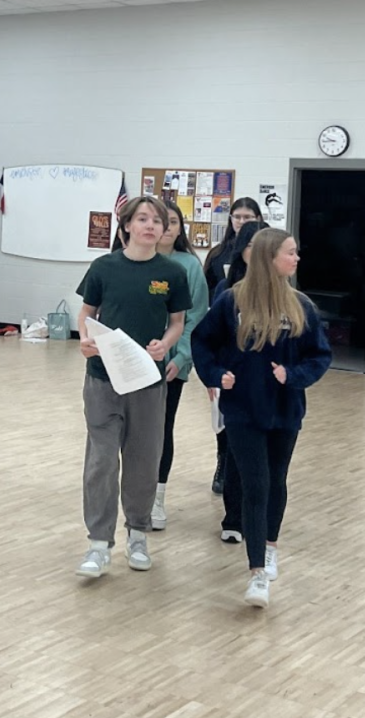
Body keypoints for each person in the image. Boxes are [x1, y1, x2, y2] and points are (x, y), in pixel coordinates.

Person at [192, 228, 332, 608]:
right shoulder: (231, 301)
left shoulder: (301, 305)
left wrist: (294, 377)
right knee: (255, 485)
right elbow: (203, 342)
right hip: (241, 409)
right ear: (271, 258)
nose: (297, 258)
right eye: (291, 252)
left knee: (276, 480)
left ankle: (271, 546)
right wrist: (215, 374)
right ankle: (257, 574)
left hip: (285, 411)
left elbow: (319, 356)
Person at [75, 197, 190, 578]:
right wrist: (84, 338)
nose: (151, 226)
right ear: (126, 225)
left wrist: (166, 343)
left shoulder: (171, 273)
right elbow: (87, 313)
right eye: (142, 219)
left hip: (147, 380)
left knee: (143, 459)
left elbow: (177, 321)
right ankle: (98, 543)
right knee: (102, 460)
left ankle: (137, 534)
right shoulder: (103, 268)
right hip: (103, 378)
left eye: (157, 221)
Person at [149, 200, 208, 532]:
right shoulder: (136, 262)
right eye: (160, 221)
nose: (166, 227)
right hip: (135, 361)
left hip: (172, 364)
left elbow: (195, 317)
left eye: (172, 222)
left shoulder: (189, 266)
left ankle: (157, 498)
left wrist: (182, 356)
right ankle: (136, 494)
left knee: (162, 428)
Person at [211, 219, 268, 544]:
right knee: (235, 451)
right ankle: (233, 517)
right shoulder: (226, 291)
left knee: (263, 456)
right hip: (233, 383)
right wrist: (214, 374)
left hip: (269, 388)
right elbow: (213, 339)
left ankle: (257, 517)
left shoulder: (285, 292)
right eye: (251, 246)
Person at [201, 197, 262, 495]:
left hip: (257, 350)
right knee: (222, 416)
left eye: (248, 216)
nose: (241, 221)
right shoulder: (216, 256)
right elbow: (206, 300)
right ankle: (223, 462)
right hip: (224, 344)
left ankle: (246, 471)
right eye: (237, 216)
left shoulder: (269, 257)